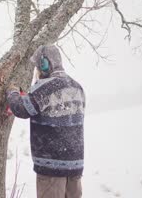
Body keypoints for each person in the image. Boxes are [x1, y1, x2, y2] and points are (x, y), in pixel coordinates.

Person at [6, 44, 85, 198]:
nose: (37, 70)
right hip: (75, 167)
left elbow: (21, 109)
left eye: (38, 66)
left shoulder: (45, 88)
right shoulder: (78, 88)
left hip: (52, 169)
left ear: (45, 63)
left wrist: (12, 92)